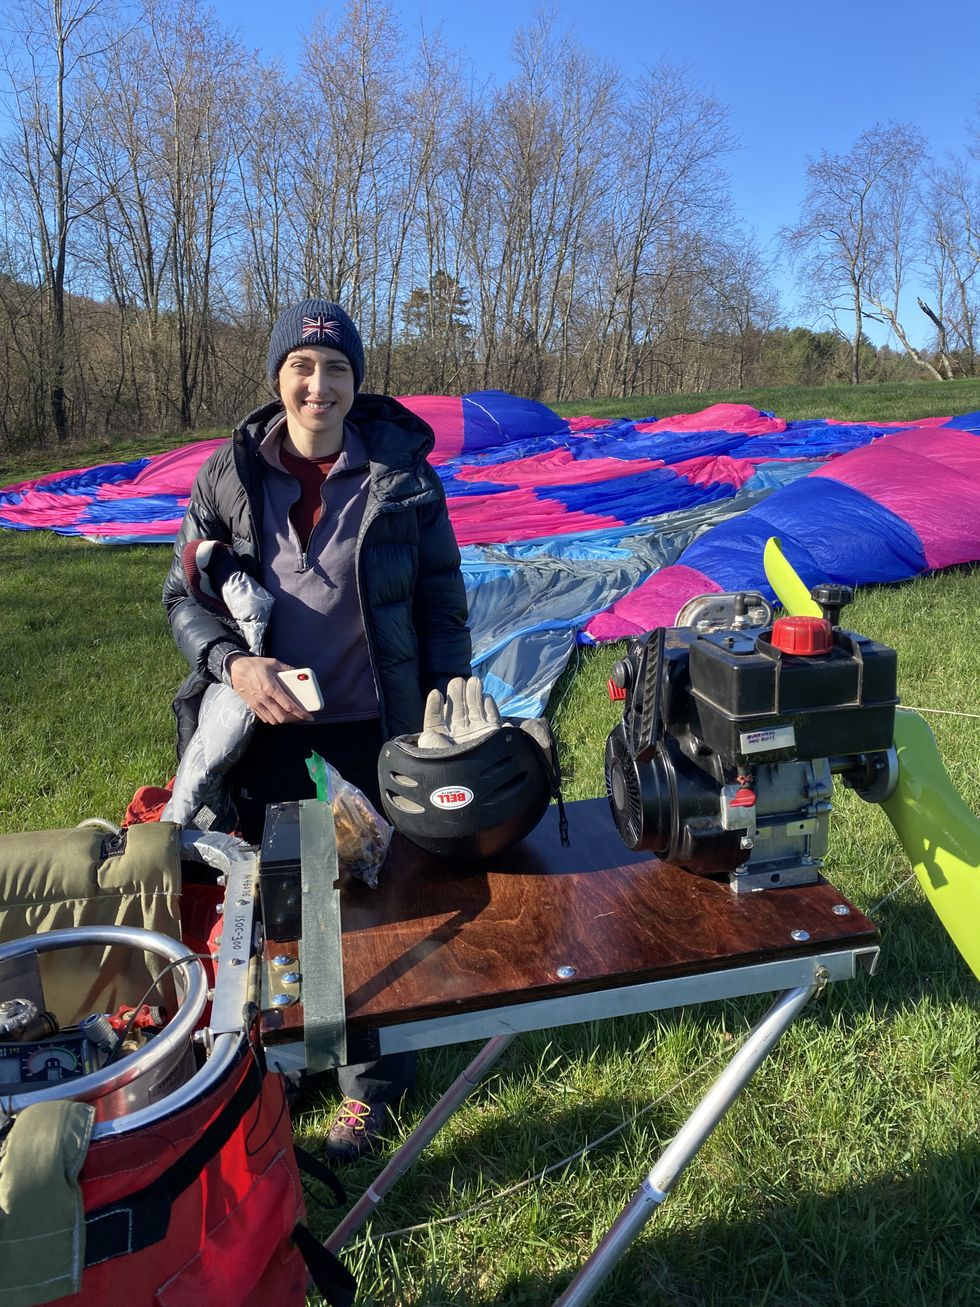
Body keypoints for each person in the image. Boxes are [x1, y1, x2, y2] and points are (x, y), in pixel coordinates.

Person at [163, 299, 471, 1159]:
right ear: (278, 378)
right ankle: (290, 1052)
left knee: (377, 899)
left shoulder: (401, 475)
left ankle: (369, 1087)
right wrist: (235, 666)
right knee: (271, 899)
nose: (318, 385)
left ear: (355, 383)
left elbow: (442, 601)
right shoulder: (227, 475)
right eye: (302, 366)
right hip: (265, 728)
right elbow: (181, 594)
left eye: (336, 370)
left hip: (374, 724)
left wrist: (444, 706)